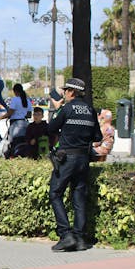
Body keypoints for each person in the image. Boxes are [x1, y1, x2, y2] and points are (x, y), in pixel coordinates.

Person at [46, 78, 101, 252]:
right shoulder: (91, 110)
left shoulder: (66, 109)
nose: (64, 93)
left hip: (66, 158)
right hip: (83, 159)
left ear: (71, 92)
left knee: (55, 193)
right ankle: (80, 238)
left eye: (65, 91)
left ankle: (66, 235)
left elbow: (51, 128)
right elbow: (98, 137)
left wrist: (56, 109)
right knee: (79, 197)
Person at [1, 83, 32, 153]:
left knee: (13, 142)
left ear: (15, 91)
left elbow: (10, 112)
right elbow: (29, 115)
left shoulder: (15, 99)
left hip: (15, 124)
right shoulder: (27, 100)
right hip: (24, 123)